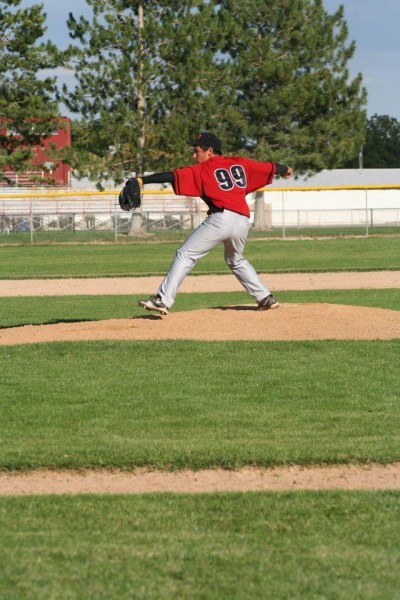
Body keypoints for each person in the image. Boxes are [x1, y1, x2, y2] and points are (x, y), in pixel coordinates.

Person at [136, 132, 294, 315]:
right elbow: (271, 167)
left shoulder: (203, 169)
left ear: (209, 151)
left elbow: (171, 176)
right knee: (235, 259)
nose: (194, 156)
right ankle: (265, 298)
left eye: (197, 151)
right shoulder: (240, 163)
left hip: (221, 219)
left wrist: (142, 180)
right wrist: (286, 169)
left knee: (185, 254)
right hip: (242, 220)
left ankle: (163, 300)